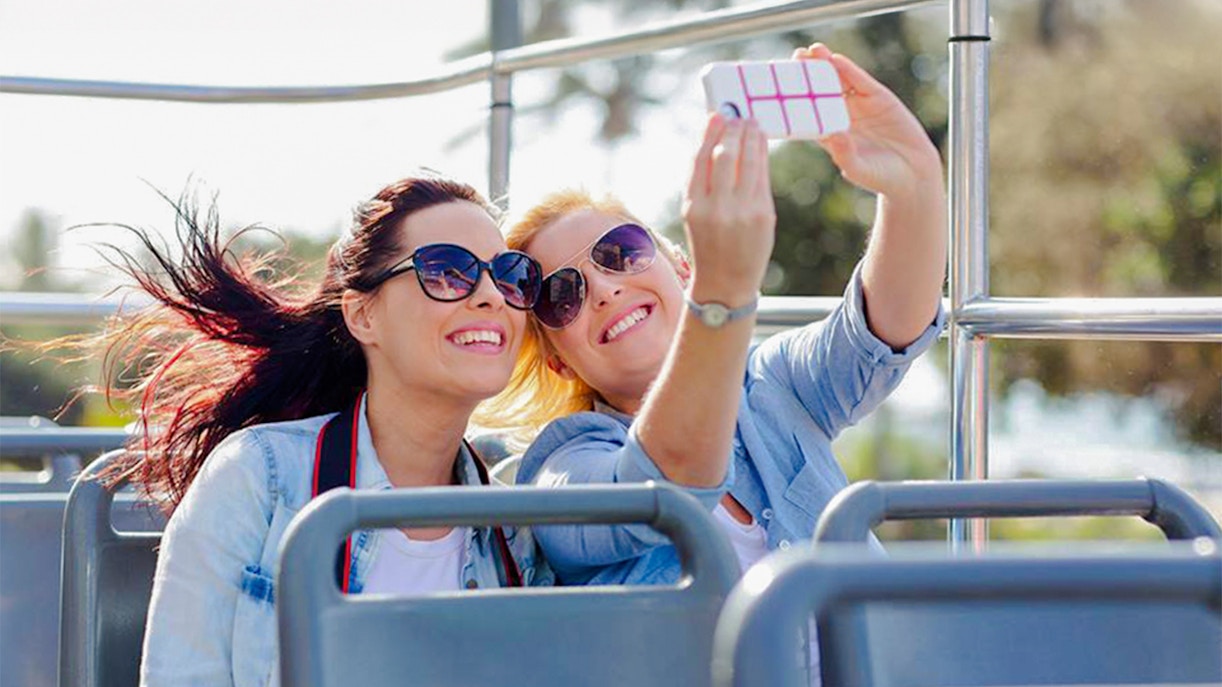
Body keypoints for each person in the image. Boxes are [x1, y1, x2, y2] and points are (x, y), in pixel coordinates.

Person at [482, 43, 946, 677]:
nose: (604, 288)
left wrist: (914, 179)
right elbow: (666, 482)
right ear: (560, 361)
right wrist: (724, 294)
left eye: (619, 251)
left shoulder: (771, 385)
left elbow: (883, 328)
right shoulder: (562, 465)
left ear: (680, 266)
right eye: (563, 295)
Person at [74, 172, 552, 685]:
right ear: (363, 316)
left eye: (510, 275)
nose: (490, 296)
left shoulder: (515, 527)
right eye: (445, 271)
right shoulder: (259, 476)